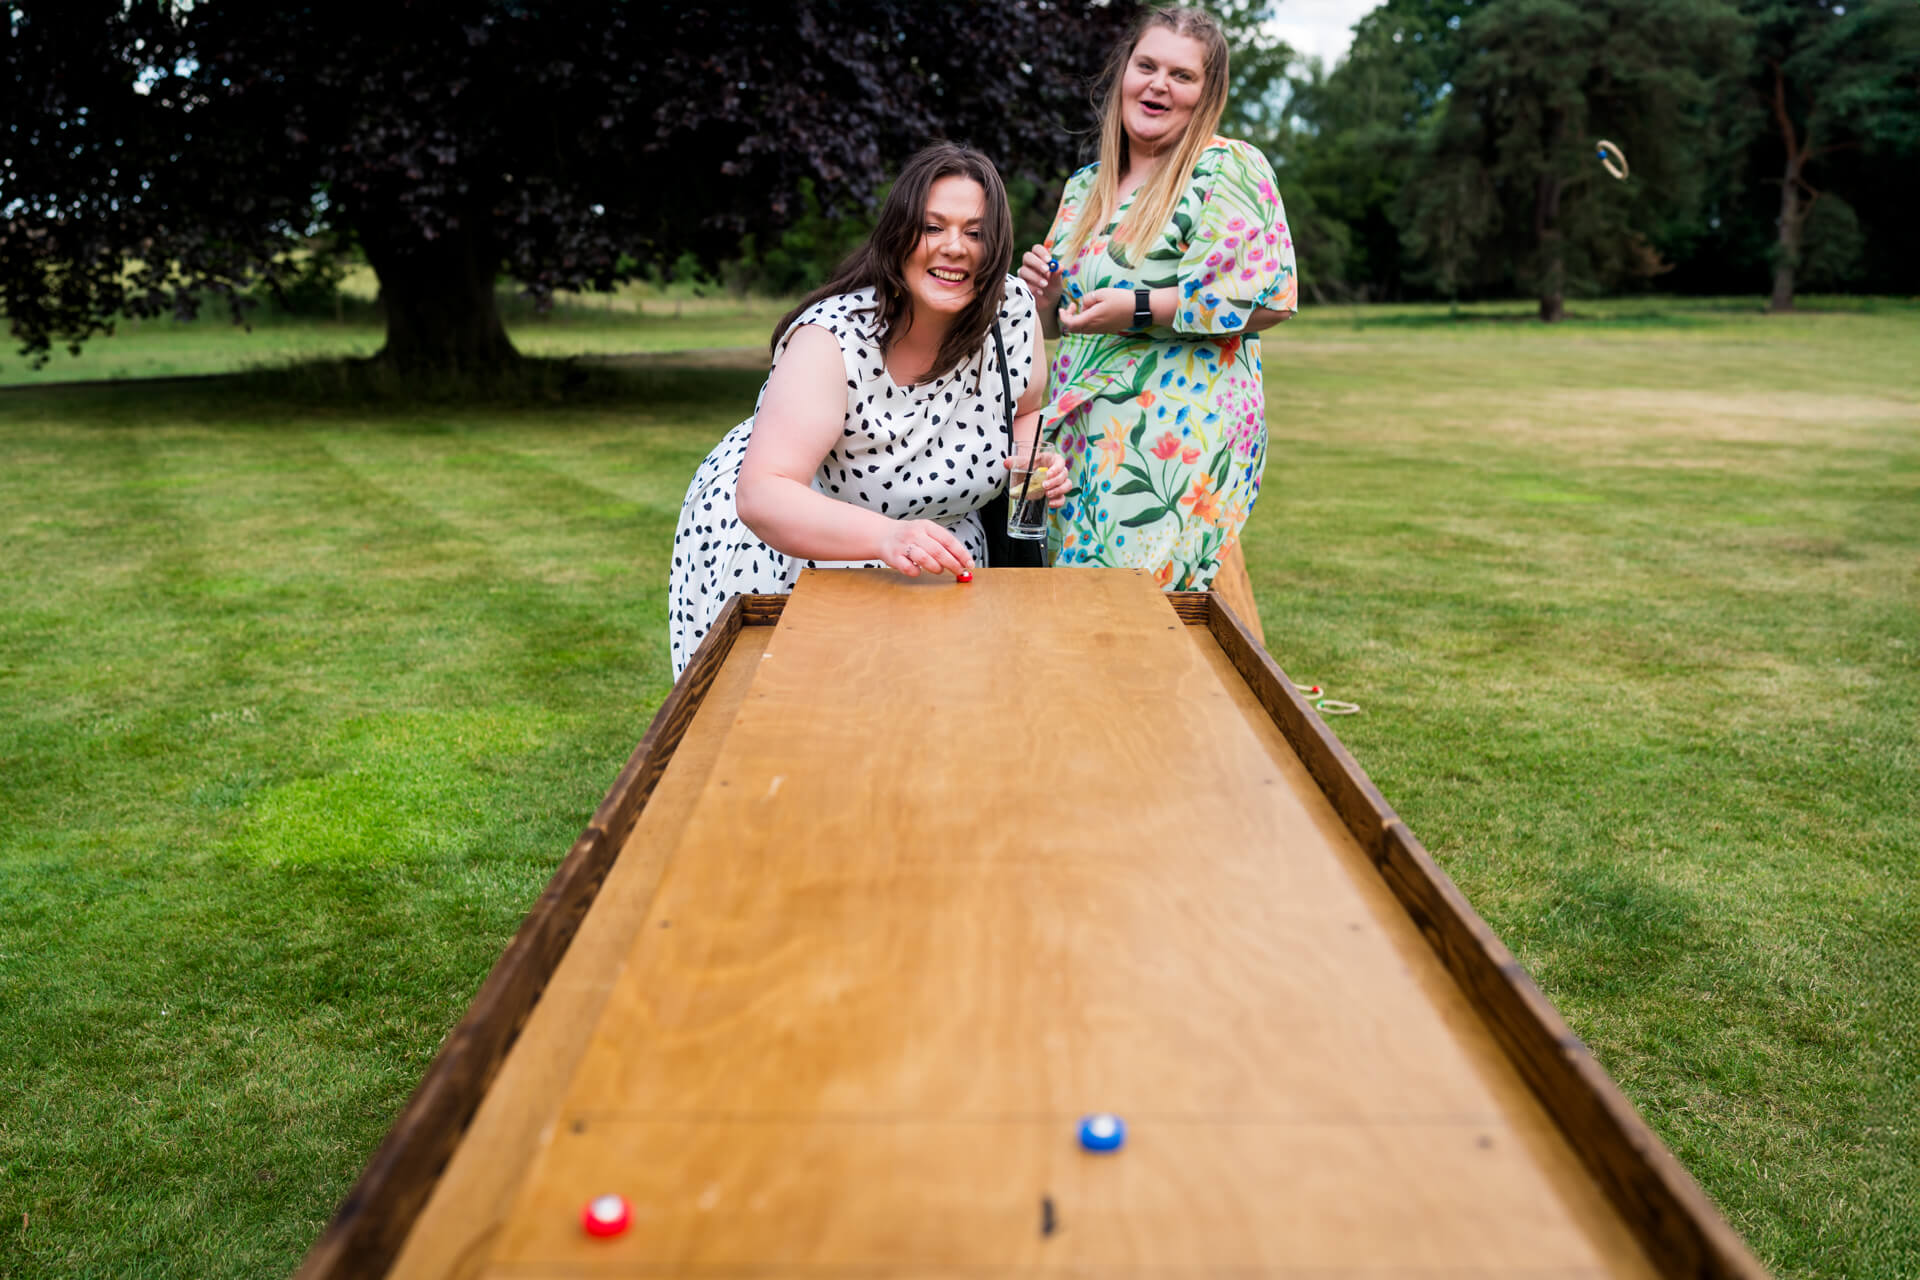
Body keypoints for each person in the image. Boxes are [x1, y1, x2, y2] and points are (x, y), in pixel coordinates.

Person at [669, 142, 1066, 675]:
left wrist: (1031, 463)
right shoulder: (830, 339)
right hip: (801, 550)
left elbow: (1025, 410)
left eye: (975, 232)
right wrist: (885, 536)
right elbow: (763, 492)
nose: (956, 247)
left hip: (937, 547)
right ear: (900, 234)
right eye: (933, 227)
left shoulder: (1010, 312)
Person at [1018, 5, 1296, 592]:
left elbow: (1269, 301)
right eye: (1147, 65)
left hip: (1170, 441)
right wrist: (1040, 296)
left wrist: (1137, 309)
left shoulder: (1225, 168)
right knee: (1073, 611)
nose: (1158, 85)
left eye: (1181, 75)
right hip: (1076, 439)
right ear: (1124, 71)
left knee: (1134, 611)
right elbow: (1061, 324)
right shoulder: (1083, 189)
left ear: (1206, 91)